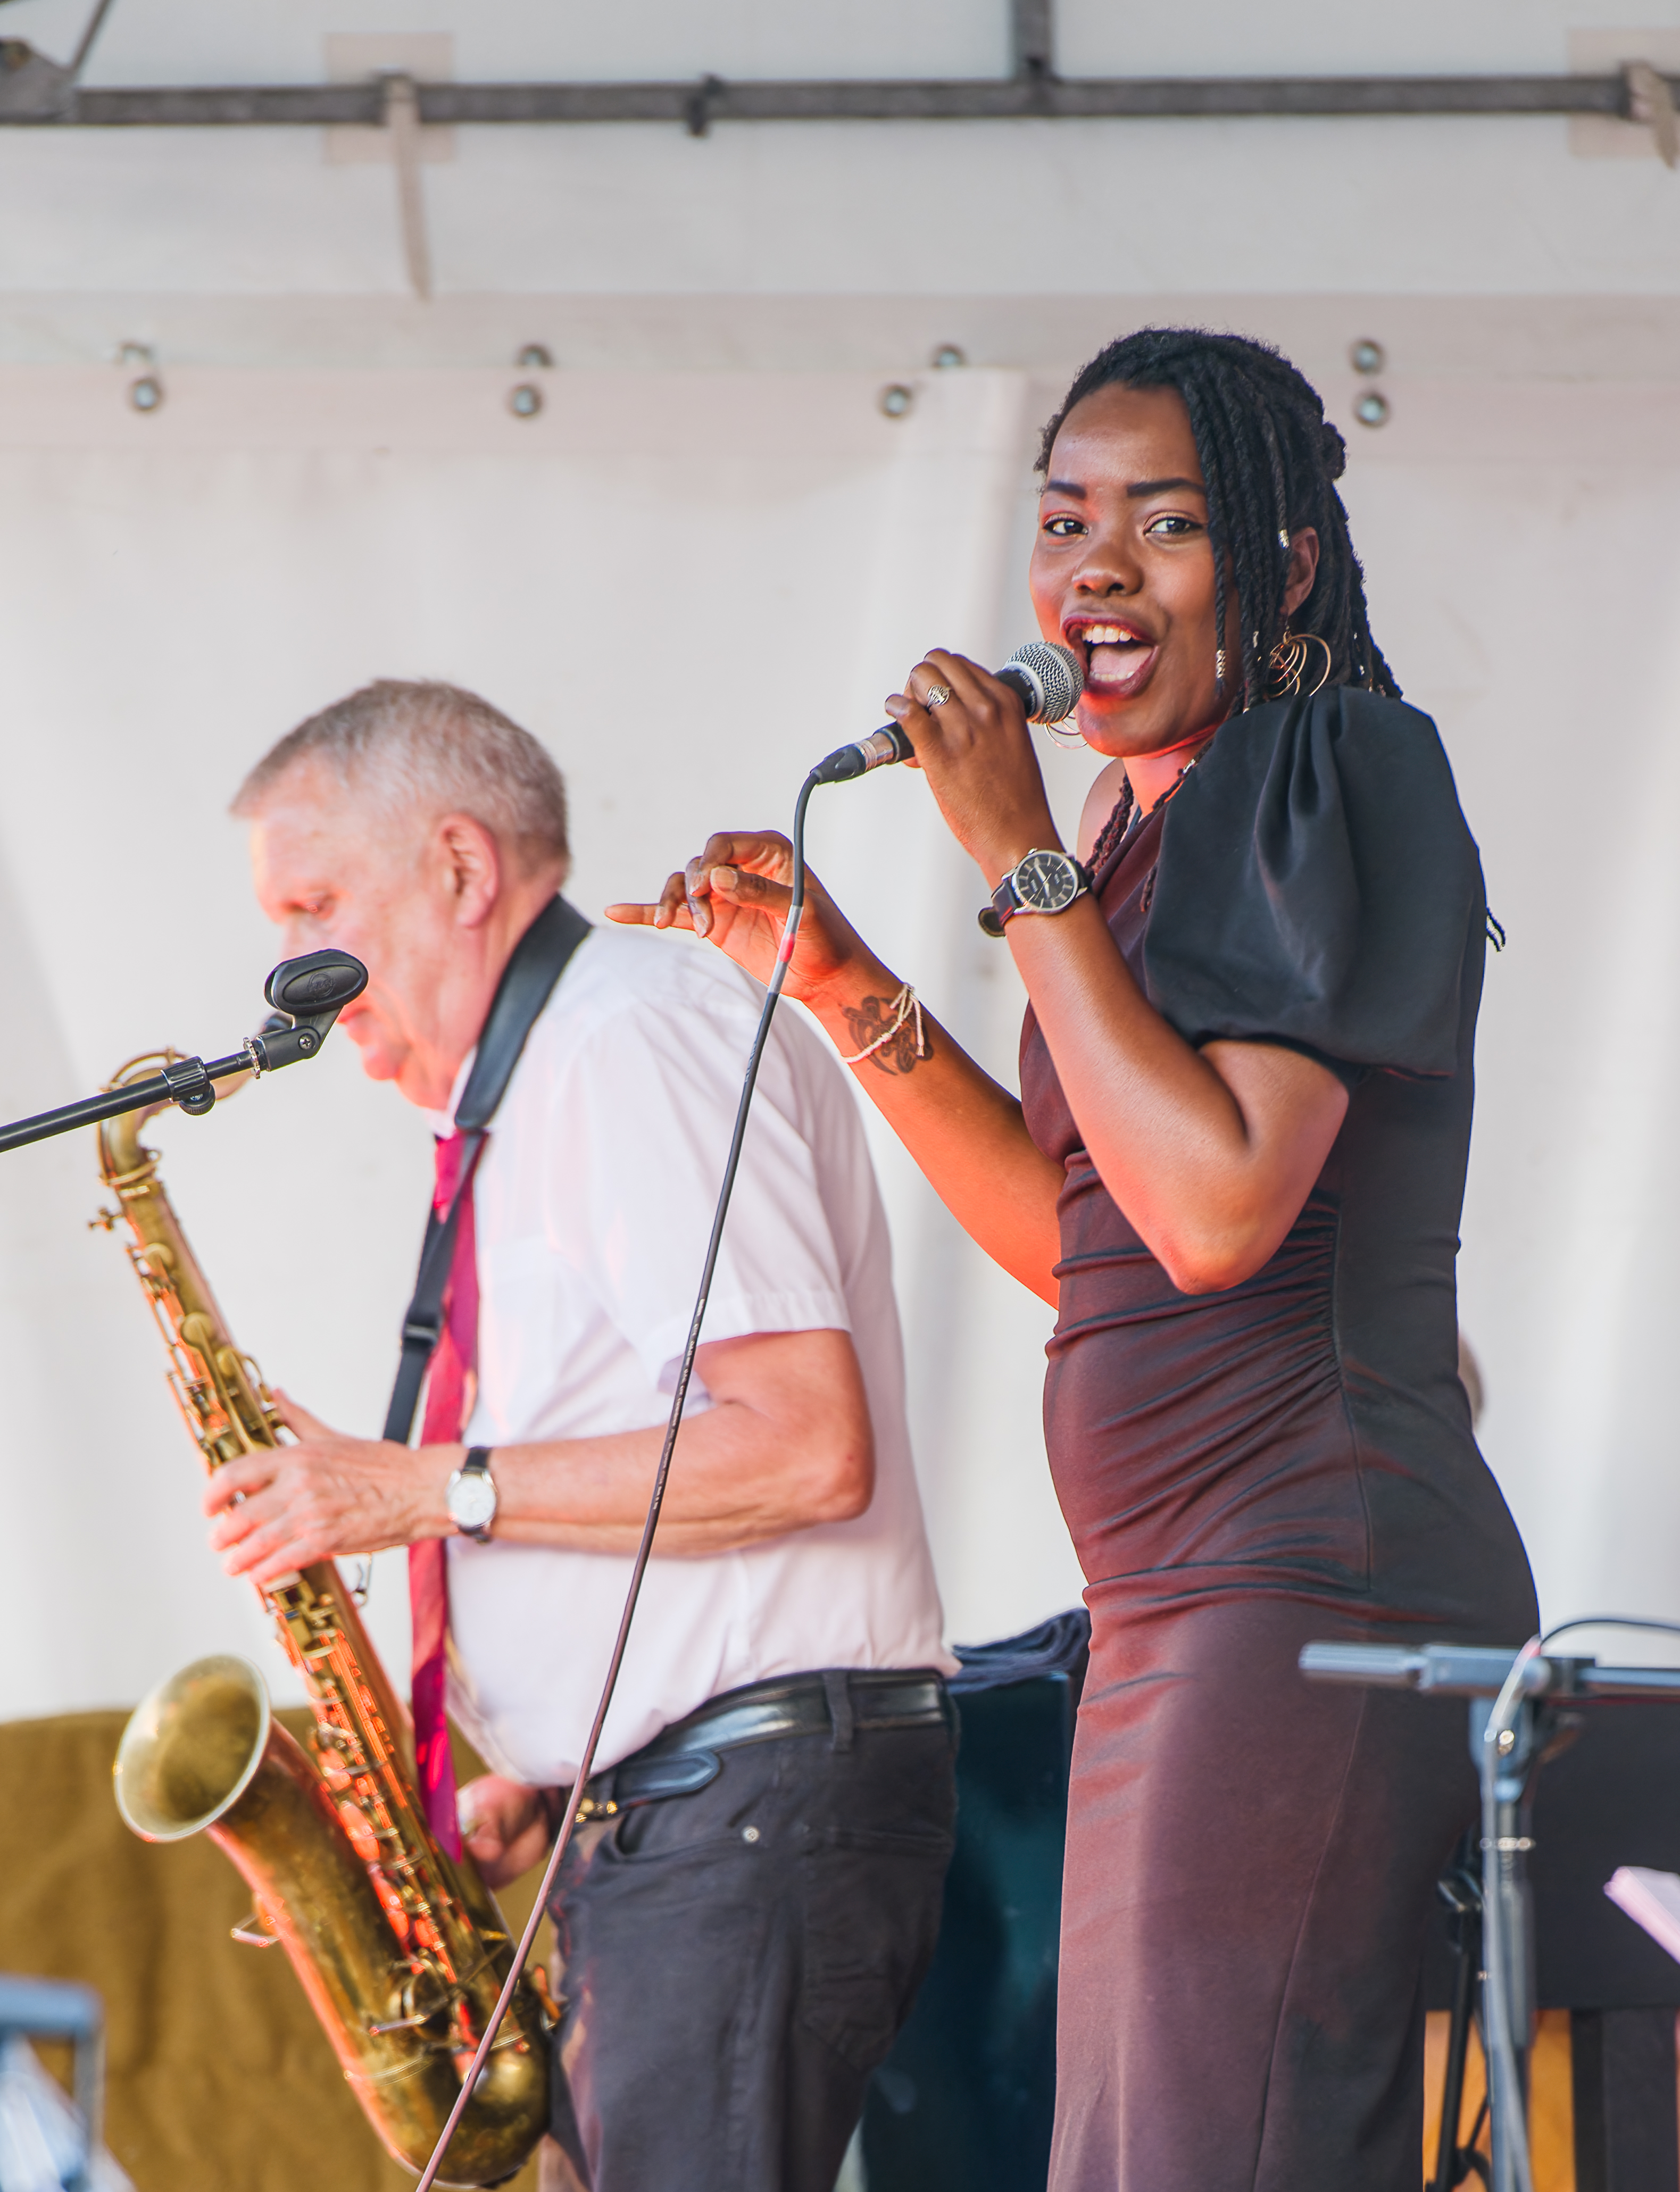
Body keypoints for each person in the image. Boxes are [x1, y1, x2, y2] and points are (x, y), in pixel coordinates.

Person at [610, 329, 1538, 2191]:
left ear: (1282, 565)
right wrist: (846, 985)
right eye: (1063, 521)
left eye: (1165, 525)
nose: (1095, 568)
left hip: (1311, 1586)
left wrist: (1019, 855)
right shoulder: (1142, 834)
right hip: (1177, 1605)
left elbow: (1219, 1208)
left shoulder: (1333, 766)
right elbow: (1096, 1247)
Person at [206, 679, 958, 2192]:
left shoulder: (631, 1036)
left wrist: (420, 1487)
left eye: (314, 907)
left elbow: (806, 1447)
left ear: (461, 868)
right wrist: (559, 1776)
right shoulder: (547, 1078)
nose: (292, 972)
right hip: (677, 1815)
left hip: (742, 1816)